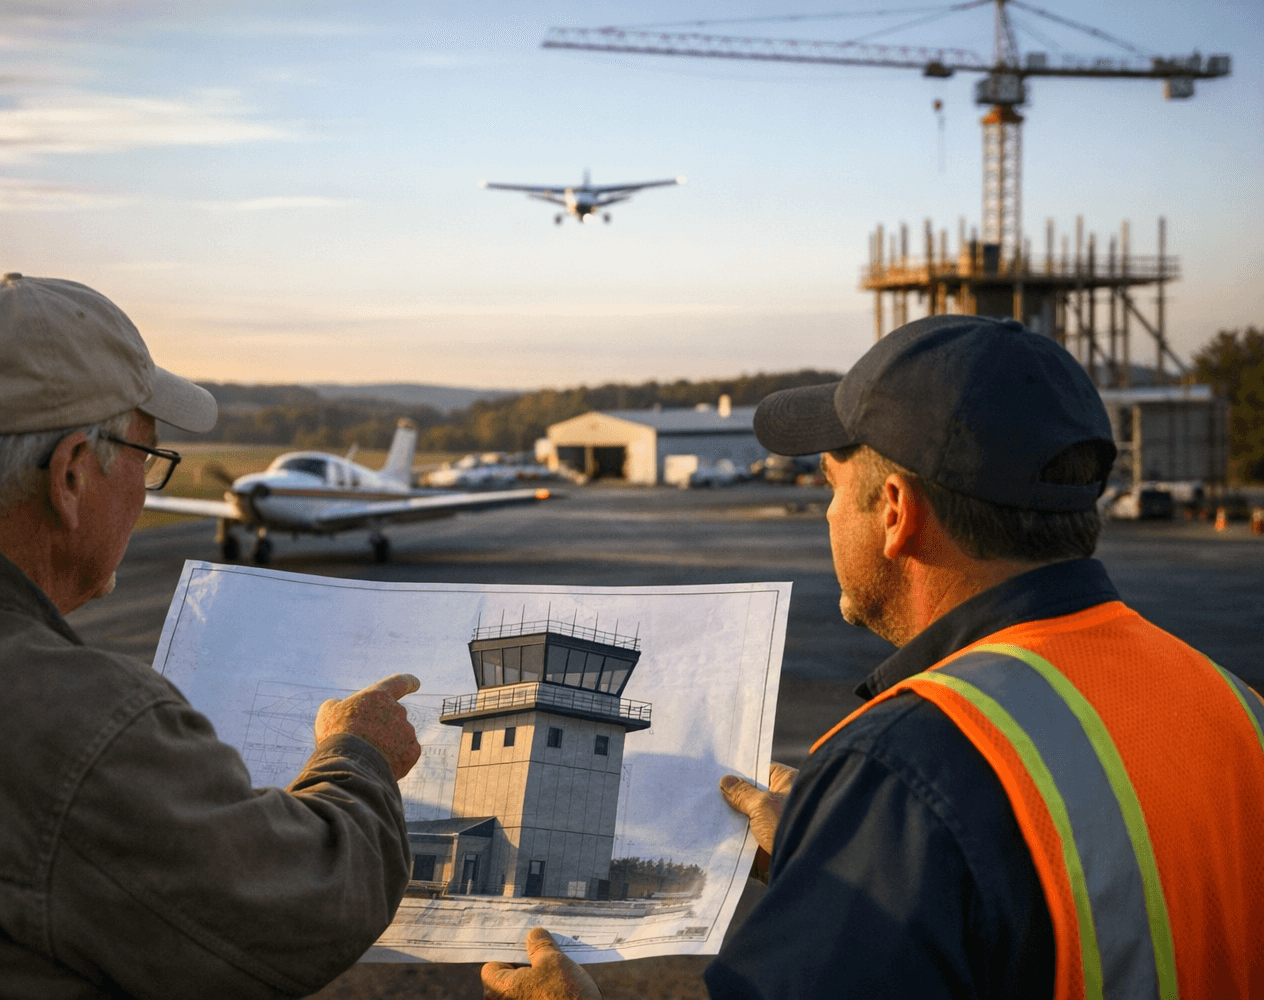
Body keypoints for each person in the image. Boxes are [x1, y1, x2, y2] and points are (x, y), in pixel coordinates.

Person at [482, 314, 1264, 999]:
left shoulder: (900, 768)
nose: (824, 514)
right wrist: (847, 860)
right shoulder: (1234, 704)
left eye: (830, 484)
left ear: (895, 513)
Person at [0, 274, 423, 996]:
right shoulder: (84, 726)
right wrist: (359, 754)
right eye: (149, 461)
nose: (146, 490)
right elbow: (303, 907)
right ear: (69, 475)